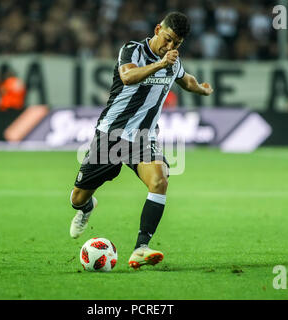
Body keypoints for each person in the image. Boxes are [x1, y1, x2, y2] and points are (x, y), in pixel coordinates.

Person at [69, 12, 213, 269]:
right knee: (77, 198)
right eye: (168, 39)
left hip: (143, 138)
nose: (170, 47)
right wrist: (160, 65)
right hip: (111, 135)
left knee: (159, 181)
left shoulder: (173, 61)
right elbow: (128, 77)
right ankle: (87, 207)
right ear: (158, 29)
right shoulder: (132, 50)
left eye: (176, 44)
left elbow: (186, 79)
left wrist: (201, 88)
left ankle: (141, 248)